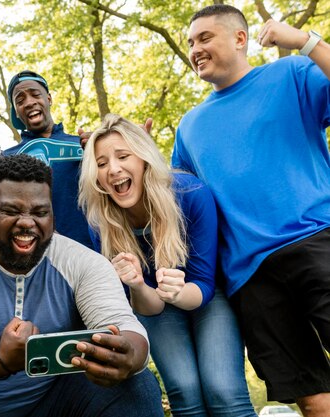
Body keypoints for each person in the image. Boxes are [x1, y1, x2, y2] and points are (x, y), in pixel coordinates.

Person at [0, 153, 164, 417]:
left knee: (138, 383)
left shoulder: (83, 262)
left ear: (52, 214)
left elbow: (126, 326)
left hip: (63, 406)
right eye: (11, 211)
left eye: (40, 212)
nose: (27, 222)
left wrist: (128, 355)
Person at [173, 4, 330, 415]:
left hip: (316, 242)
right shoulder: (189, 126)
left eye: (205, 38)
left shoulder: (290, 73)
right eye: (190, 43)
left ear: (240, 39)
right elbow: (181, 198)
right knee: (309, 391)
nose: (195, 49)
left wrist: (305, 41)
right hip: (251, 277)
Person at [79, 114, 256, 416]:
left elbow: (204, 284)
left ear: (144, 158)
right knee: (184, 391)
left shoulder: (190, 194)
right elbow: (149, 308)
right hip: (155, 307)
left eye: (123, 156)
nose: (114, 169)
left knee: (223, 391)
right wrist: (136, 284)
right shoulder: (102, 222)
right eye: (102, 163)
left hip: (206, 297)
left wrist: (178, 292)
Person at [3, 70, 93, 249]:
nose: (29, 102)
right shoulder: (8, 158)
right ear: (17, 112)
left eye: (35, 94)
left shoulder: (82, 145)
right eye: (20, 101)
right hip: (34, 261)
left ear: (49, 99)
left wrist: (100, 153)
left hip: (88, 254)